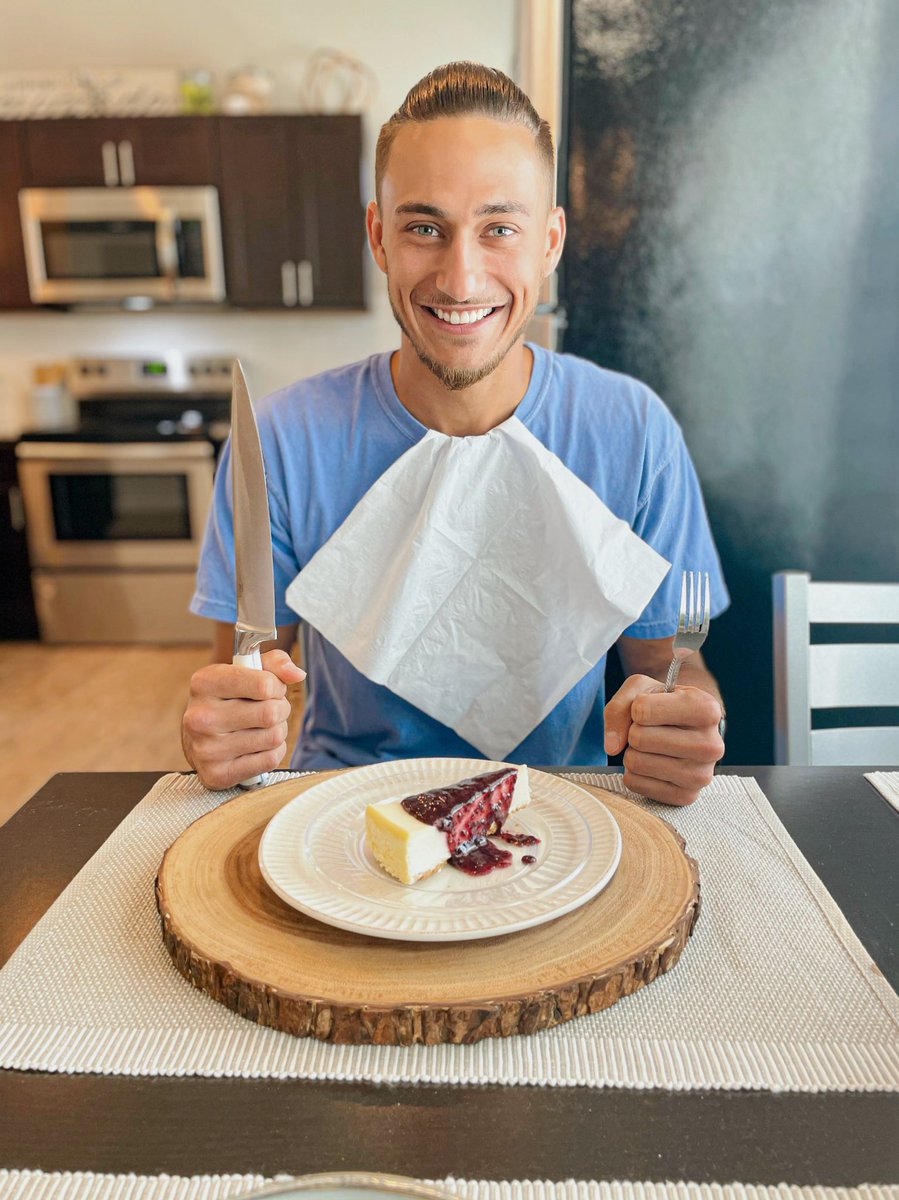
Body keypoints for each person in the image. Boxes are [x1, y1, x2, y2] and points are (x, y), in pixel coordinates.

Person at [183, 62, 728, 805]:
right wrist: (226, 725)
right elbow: (244, 677)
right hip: (337, 807)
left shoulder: (631, 432)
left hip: (566, 809)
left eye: (498, 228)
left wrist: (683, 717)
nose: (460, 278)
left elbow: (669, 669)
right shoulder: (281, 441)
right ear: (378, 236)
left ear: (549, 242)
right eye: (423, 228)